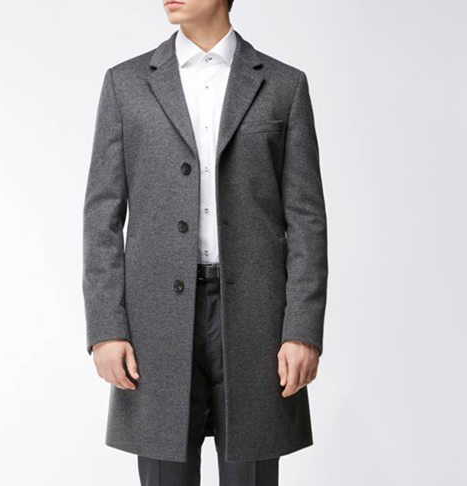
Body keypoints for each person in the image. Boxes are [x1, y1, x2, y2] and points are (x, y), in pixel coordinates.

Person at [82, 0, 328, 484]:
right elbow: (101, 215)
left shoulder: (284, 85)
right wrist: (106, 328)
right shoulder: (126, 84)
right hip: (154, 326)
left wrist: (302, 330)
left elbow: (306, 219)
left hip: (257, 322)